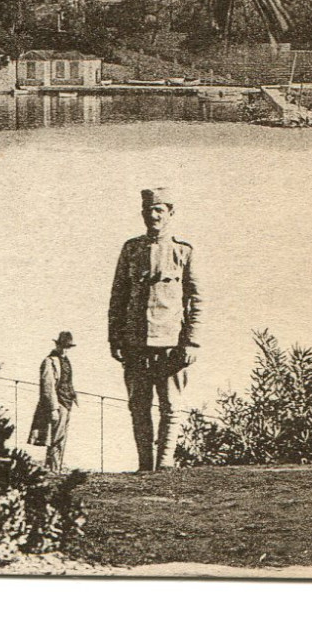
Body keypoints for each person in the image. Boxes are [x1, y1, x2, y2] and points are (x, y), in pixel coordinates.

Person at [107, 187, 202, 471]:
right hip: (135, 342)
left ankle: (164, 464)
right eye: (149, 210)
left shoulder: (183, 252)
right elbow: (118, 296)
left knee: (171, 407)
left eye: (160, 210)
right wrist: (115, 336)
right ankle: (145, 466)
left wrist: (192, 343)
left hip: (171, 342)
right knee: (138, 406)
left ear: (171, 213)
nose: (153, 215)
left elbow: (197, 300)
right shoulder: (131, 249)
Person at [28, 330, 78, 471]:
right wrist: (53, 408)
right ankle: (53, 468)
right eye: (62, 346)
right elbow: (47, 386)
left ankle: (57, 468)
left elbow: (68, 381)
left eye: (67, 347)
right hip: (58, 403)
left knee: (61, 437)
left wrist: (73, 395)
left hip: (67, 402)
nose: (64, 349)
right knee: (54, 438)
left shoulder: (66, 361)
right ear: (57, 345)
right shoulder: (49, 361)